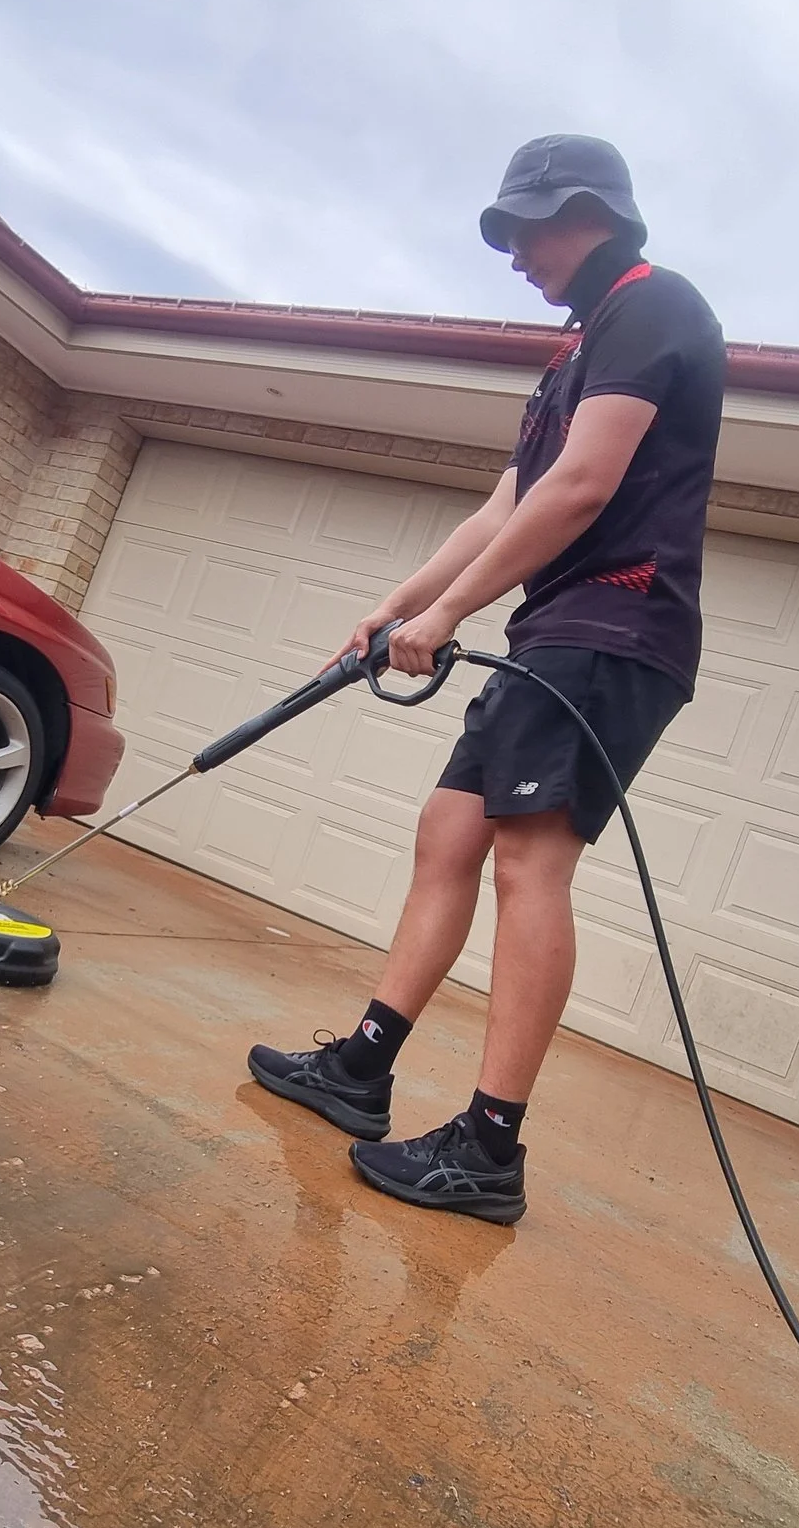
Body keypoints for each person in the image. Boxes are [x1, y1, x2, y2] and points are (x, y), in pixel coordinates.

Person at [248, 134, 726, 1226]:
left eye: (526, 228)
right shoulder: (573, 354)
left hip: (617, 622)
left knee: (527, 865)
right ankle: (361, 1068)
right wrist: (396, 603)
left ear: (586, 211)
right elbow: (508, 505)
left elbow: (587, 486)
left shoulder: (654, 309)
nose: (512, 251)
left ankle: (488, 1145)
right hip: (558, 625)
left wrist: (452, 614)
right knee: (447, 834)